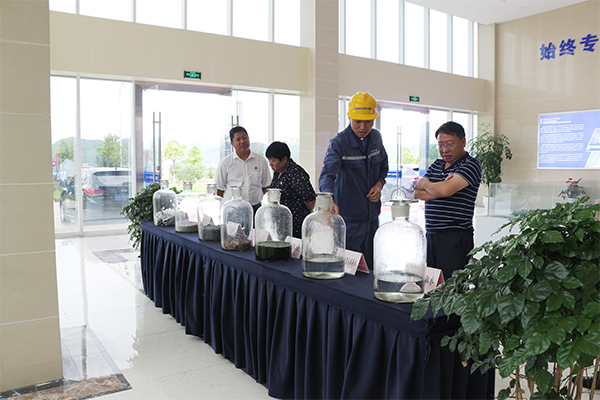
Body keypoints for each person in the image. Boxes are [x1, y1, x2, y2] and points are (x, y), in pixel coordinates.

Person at [318, 92, 389, 269]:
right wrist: (328, 199)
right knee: (350, 269)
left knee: (371, 267)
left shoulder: (376, 138)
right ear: (349, 117)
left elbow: (384, 166)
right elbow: (327, 174)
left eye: (368, 121)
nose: (363, 127)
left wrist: (379, 184)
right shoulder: (339, 143)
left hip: (372, 217)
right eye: (358, 121)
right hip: (349, 219)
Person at [413, 121, 482, 279]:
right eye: (440, 145)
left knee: (452, 286)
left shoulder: (470, 165)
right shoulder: (437, 164)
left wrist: (428, 184)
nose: (444, 150)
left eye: (450, 144)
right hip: (432, 235)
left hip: (455, 236)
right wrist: (442, 188)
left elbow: (444, 190)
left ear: (463, 142)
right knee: (433, 284)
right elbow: (417, 193)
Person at [266, 141, 317, 238]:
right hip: (279, 224)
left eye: (273, 161)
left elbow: (310, 199)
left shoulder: (297, 173)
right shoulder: (277, 172)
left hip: (295, 225)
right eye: (269, 160)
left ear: (284, 159)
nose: (270, 164)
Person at [215, 126, 271, 215]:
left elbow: (265, 186)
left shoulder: (261, 160)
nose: (242, 141)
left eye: (244, 138)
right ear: (232, 143)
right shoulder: (225, 163)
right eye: (238, 139)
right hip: (232, 209)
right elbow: (219, 190)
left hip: (255, 209)